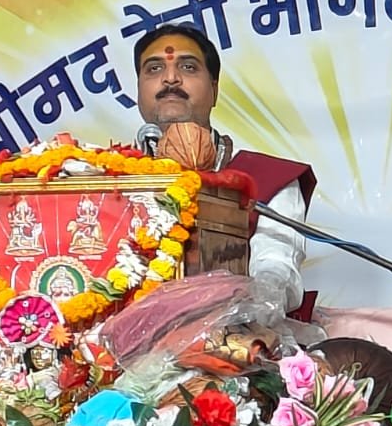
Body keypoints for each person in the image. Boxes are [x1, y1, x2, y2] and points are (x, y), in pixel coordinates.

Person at [132, 23, 314, 317]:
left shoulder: (265, 179)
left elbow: (276, 268)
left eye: (188, 67)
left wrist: (256, 305)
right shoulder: (102, 181)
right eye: (154, 69)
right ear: (138, 90)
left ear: (214, 90)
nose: (170, 78)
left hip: (235, 334)